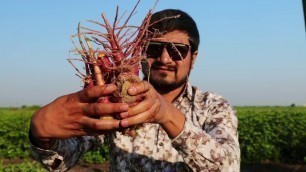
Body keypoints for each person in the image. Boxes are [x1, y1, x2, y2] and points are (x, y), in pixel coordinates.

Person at [30, 9, 240, 171]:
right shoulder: (116, 103)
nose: (164, 59)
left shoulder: (212, 106)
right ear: (141, 53)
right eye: (154, 48)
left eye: (178, 51)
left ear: (193, 58)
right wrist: (43, 136)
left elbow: (228, 167)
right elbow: (61, 161)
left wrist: (167, 114)